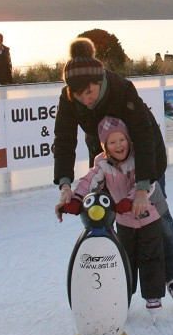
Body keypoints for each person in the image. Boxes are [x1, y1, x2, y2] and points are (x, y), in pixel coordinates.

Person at [53, 38, 173, 306]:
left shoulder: (121, 89)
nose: (85, 100)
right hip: (107, 160)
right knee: (104, 216)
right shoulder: (71, 97)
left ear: (99, 80)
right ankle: (116, 280)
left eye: (89, 92)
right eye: (78, 96)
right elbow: (64, 139)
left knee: (155, 216)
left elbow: (143, 133)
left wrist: (142, 188)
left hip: (147, 156)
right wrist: (65, 184)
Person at [58, 117, 166, 310]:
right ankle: (123, 294)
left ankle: (153, 295)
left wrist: (130, 199)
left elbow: (148, 181)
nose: (118, 145)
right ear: (105, 146)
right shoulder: (102, 164)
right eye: (112, 142)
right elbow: (87, 182)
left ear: (129, 140)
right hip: (124, 222)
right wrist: (75, 200)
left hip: (149, 217)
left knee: (151, 256)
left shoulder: (139, 157)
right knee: (125, 259)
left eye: (122, 140)